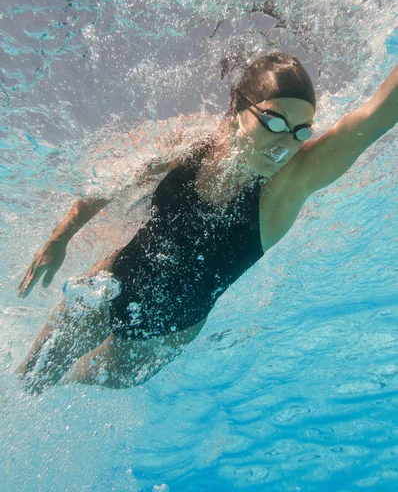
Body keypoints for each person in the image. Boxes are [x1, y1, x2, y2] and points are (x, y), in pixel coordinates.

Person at [17, 52, 398, 393]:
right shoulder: (192, 144)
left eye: (302, 132)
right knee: (32, 377)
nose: (286, 142)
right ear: (237, 111)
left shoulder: (287, 186)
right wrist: (60, 238)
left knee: (74, 382)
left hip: (158, 341)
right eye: (275, 122)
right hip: (108, 286)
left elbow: (377, 114)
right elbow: (114, 181)